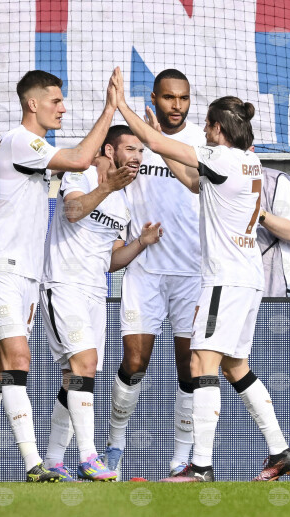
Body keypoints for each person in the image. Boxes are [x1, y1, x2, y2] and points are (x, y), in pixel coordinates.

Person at [109, 67, 290, 482]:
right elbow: (193, 182)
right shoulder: (248, 161)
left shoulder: (220, 156)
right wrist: (160, 143)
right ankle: (280, 450)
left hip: (224, 279)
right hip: (247, 276)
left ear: (217, 129)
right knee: (236, 366)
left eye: (209, 127)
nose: (205, 133)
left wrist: (121, 105)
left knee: (201, 362)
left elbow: (157, 142)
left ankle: (199, 466)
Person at [0, 70, 118, 482]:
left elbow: (76, 160)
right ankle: (34, 466)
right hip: (0, 265)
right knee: (19, 359)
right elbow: (80, 159)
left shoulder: (35, 149)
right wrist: (110, 109)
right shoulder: (21, 140)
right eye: (56, 101)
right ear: (32, 103)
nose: (63, 108)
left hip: (27, 274)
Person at [40, 125, 163, 482]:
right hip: (63, 285)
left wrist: (140, 243)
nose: (137, 157)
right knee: (86, 364)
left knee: (75, 377)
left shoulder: (124, 202)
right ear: (110, 151)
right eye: (130, 149)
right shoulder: (81, 174)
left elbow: (111, 261)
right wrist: (107, 186)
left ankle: (52, 461)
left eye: (141, 151)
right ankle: (89, 457)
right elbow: (73, 210)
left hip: (96, 292)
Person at [102, 69, 205, 479]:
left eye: (183, 98)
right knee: (134, 362)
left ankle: (181, 460)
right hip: (144, 270)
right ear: (155, 99)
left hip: (191, 273)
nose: (176, 105)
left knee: (189, 367)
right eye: (168, 97)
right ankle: (115, 447)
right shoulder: (135, 142)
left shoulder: (199, 142)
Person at [257, 167, 290, 297]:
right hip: (233, 285)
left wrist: (257, 212)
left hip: (276, 290)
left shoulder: (276, 180)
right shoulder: (215, 182)